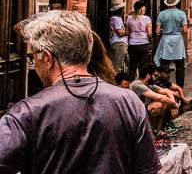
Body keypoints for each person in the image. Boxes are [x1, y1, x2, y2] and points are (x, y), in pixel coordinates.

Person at [0, 10, 160, 173]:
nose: (34, 63)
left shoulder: (25, 114)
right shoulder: (129, 102)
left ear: (47, 59)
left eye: (32, 56)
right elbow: (147, 169)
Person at [130, 64, 180, 131]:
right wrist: (174, 103)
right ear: (148, 75)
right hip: (135, 113)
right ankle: (151, 131)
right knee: (158, 105)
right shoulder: (137, 85)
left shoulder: (149, 85)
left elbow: (166, 91)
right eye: (155, 75)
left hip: (143, 110)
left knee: (166, 101)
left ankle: (159, 129)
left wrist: (172, 102)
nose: (157, 77)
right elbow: (160, 98)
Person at [154, 0, 188, 88]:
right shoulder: (181, 14)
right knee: (180, 66)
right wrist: (178, 29)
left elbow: (157, 31)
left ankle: (164, 86)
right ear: (176, 3)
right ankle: (179, 87)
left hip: (166, 40)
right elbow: (185, 30)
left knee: (164, 65)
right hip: (178, 40)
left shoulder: (162, 14)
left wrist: (163, 30)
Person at [127, 0, 153, 79]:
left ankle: (131, 82)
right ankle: (141, 83)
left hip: (132, 44)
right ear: (142, 9)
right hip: (143, 43)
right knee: (143, 66)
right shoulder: (147, 19)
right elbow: (149, 33)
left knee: (132, 66)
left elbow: (127, 32)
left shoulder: (129, 18)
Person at [108, 0, 128, 74]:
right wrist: (128, 32)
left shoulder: (115, 18)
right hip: (119, 43)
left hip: (116, 42)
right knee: (117, 65)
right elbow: (120, 33)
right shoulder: (116, 19)